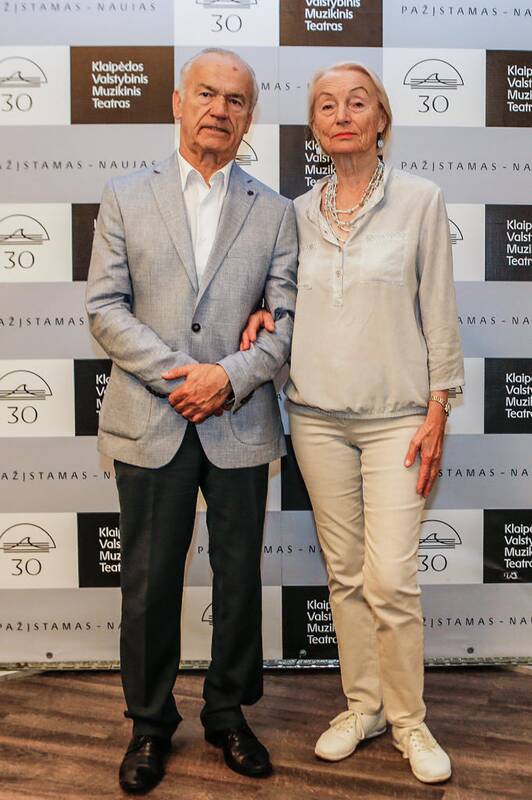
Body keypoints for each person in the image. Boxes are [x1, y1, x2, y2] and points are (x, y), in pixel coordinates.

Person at [240, 61, 464, 785]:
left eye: (356, 103)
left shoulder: (421, 200)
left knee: (391, 578)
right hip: (315, 419)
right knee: (346, 576)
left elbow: (439, 309)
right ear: (314, 126)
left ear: (381, 119)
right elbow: (285, 298)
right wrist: (264, 314)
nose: (342, 115)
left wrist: (439, 406)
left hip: (400, 419)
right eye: (327, 105)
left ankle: (409, 721)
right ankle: (363, 707)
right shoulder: (296, 213)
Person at [86, 47, 297, 794]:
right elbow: (104, 308)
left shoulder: (276, 211)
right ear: (178, 103)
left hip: (240, 422)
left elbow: (285, 321)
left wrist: (228, 379)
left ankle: (228, 713)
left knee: (239, 578)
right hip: (152, 417)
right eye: (206, 94)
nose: (219, 109)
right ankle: (148, 724)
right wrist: (186, 377)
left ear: (249, 118)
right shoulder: (124, 196)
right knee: (148, 584)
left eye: (236, 100)